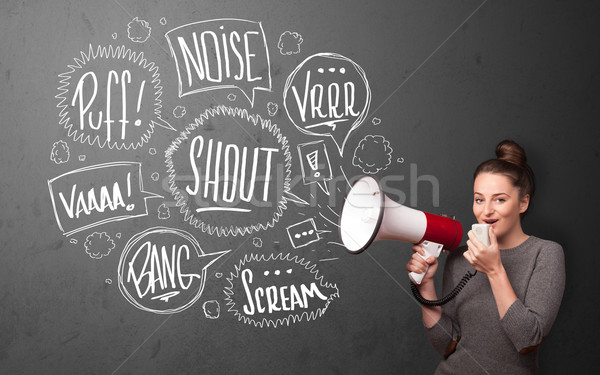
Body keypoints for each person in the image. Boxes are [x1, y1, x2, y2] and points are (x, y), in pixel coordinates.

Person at [406, 140, 565, 374]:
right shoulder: (460, 257)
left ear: (523, 202)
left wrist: (494, 271)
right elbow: (446, 345)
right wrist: (426, 285)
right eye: (479, 199)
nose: (486, 210)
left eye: (499, 199)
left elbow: (528, 341)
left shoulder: (546, 254)